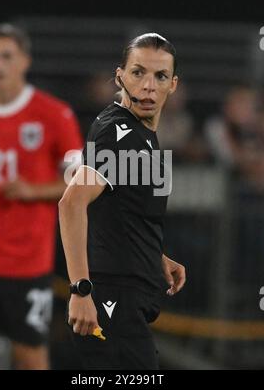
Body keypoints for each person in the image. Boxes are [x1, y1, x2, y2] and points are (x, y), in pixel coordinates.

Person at [59, 33, 186, 370]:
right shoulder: (120, 132)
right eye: (138, 72)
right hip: (111, 298)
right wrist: (81, 291)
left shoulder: (138, 132)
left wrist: (155, 255)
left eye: (159, 76)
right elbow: (71, 204)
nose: (148, 86)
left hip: (128, 296)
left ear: (173, 84)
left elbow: (116, 209)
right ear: (120, 76)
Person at [0, 24, 83, 369]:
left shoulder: (53, 115)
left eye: (6, 56)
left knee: (30, 358)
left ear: (24, 61)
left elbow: (80, 180)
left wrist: (34, 191)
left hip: (27, 264)